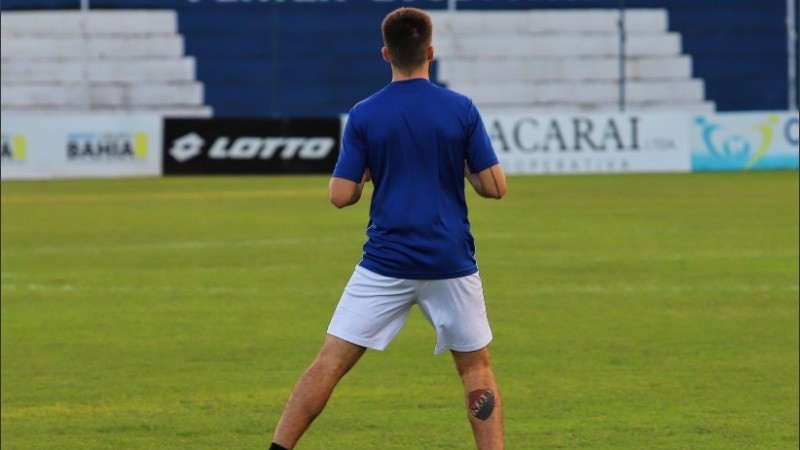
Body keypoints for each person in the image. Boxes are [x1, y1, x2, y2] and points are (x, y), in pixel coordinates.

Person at [269, 7, 507, 450]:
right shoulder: (461, 109)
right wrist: (461, 163)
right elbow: (494, 188)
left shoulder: (364, 114)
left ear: (385, 53)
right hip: (449, 261)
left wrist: (372, 171)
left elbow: (341, 196)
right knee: (476, 369)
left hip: (386, 263)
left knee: (330, 362)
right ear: (430, 52)